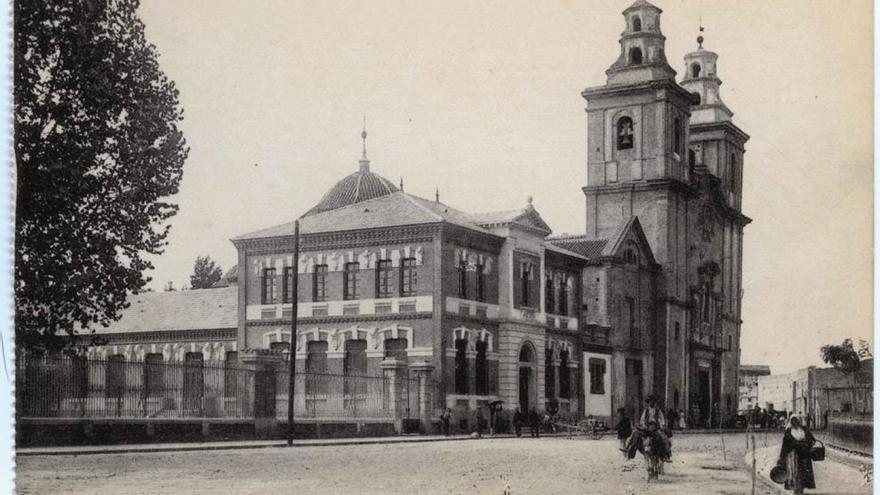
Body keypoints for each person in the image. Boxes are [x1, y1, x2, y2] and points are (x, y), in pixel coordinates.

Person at [776, 415, 817, 494]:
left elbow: (811, 440)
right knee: (793, 471)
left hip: (804, 454)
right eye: (793, 421)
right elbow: (785, 444)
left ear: (799, 421)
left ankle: (801, 488)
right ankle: (795, 488)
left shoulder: (804, 429)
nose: (795, 422)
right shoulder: (788, 431)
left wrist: (806, 444)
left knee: (803, 472)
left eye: (796, 420)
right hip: (792, 454)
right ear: (791, 422)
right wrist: (782, 456)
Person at [626, 396, 672, 462]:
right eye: (650, 401)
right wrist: (643, 425)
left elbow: (662, 419)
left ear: (655, 403)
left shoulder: (658, 411)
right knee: (635, 433)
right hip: (647, 427)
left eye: (653, 401)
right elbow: (642, 420)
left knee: (663, 437)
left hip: (656, 427)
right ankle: (630, 451)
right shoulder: (646, 411)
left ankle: (667, 454)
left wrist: (661, 425)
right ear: (649, 403)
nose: (652, 403)